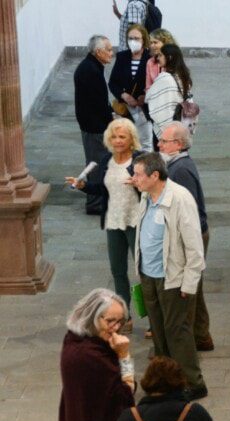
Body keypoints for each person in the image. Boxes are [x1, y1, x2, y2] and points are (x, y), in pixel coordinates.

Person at [131, 153, 209, 401]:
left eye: (138, 174)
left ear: (155, 175)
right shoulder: (147, 195)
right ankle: (167, 380)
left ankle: (193, 383)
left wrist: (189, 282)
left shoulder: (180, 199)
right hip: (149, 275)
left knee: (177, 331)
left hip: (171, 277)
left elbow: (194, 247)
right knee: (160, 332)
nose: (134, 178)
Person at [65, 119, 145, 336]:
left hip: (136, 220)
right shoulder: (106, 160)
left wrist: (140, 184)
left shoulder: (140, 160)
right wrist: (83, 186)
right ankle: (125, 316)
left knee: (145, 272)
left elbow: (156, 185)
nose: (117, 141)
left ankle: (154, 319)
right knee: (118, 271)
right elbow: (102, 189)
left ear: (131, 139)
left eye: (122, 137)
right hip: (113, 221)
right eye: (114, 137)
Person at [59, 288, 136, 421]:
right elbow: (126, 395)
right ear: (93, 316)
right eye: (110, 321)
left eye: (120, 322)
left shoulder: (74, 340)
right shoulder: (91, 357)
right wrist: (124, 356)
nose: (115, 328)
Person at [160, 122, 214, 352]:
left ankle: (187, 344)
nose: (159, 143)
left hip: (191, 237)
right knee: (196, 289)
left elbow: (187, 211)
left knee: (187, 292)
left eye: (164, 141)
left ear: (178, 144)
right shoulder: (177, 165)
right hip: (195, 234)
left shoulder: (180, 170)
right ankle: (202, 336)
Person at [75, 34, 115, 215]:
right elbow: (98, 103)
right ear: (98, 52)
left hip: (91, 124)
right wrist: (111, 121)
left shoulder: (91, 66)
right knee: (97, 164)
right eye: (108, 49)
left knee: (96, 162)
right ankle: (95, 203)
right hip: (95, 127)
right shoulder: (90, 71)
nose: (111, 53)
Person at [107, 24, 152, 147]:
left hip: (144, 109)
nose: (133, 41)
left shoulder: (150, 58)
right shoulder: (122, 57)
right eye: (130, 38)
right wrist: (124, 95)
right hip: (125, 109)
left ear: (144, 39)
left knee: (145, 143)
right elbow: (113, 82)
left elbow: (155, 82)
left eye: (137, 38)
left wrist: (145, 96)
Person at [146, 43, 190, 143]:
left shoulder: (164, 78)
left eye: (161, 55)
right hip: (180, 125)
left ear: (169, 57)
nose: (158, 58)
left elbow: (148, 97)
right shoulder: (183, 76)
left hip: (166, 127)